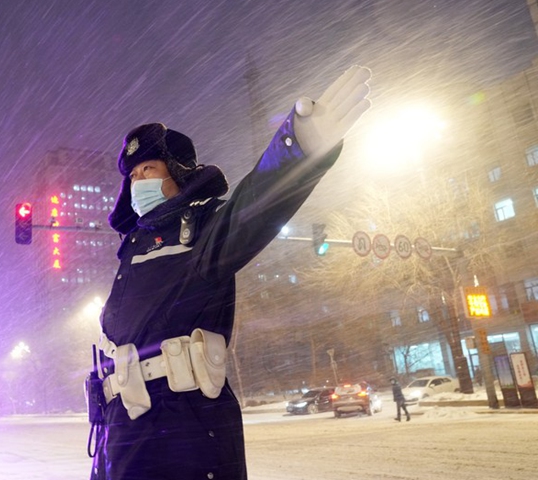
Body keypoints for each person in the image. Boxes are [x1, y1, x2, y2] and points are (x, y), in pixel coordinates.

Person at [89, 66, 372, 480]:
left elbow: (255, 205)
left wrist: (299, 147)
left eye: (148, 169)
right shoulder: (130, 251)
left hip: (186, 424)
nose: (137, 182)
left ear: (178, 172)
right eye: (132, 175)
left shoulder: (201, 230)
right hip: (123, 428)